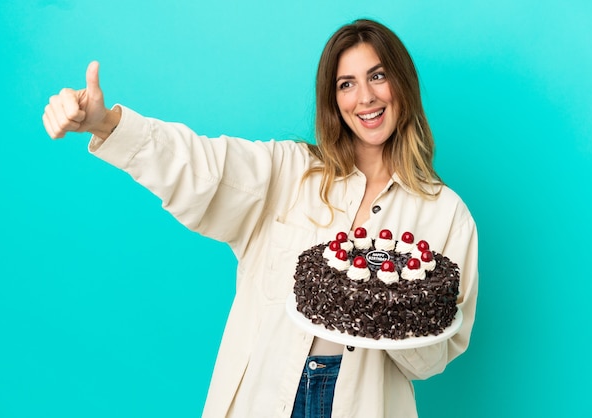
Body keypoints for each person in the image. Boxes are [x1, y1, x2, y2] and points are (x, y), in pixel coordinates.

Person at [43, 19, 478, 418]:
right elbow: (201, 165)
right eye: (346, 83)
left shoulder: (447, 215)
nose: (364, 97)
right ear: (333, 99)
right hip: (265, 394)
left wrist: (393, 310)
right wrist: (107, 124)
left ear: (402, 83)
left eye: (377, 76)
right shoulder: (288, 171)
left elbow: (435, 358)